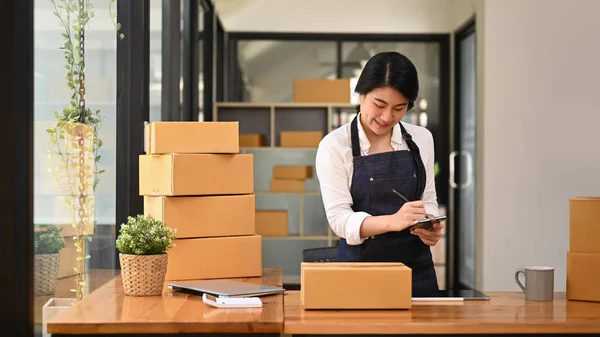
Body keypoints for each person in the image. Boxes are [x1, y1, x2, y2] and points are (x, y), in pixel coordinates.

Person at [315, 51, 444, 296]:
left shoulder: (422, 138)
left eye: (399, 108)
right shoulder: (335, 145)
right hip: (359, 273)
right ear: (361, 94)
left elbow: (427, 199)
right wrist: (393, 222)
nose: (387, 117)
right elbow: (339, 219)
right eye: (379, 105)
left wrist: (430, 224)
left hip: (416, 271)